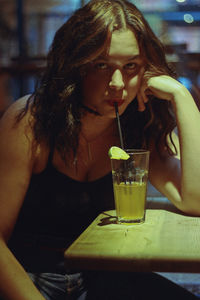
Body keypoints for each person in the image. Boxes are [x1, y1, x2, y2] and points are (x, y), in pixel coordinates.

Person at [0, 0, 200, 299]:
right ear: (76, 66)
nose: (118, 84)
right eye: (102, 65)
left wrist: (181, 95)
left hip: (104, 279)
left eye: (130, 66)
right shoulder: (30, 121)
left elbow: (194, 199)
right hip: (31, 278)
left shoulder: (135, 129)